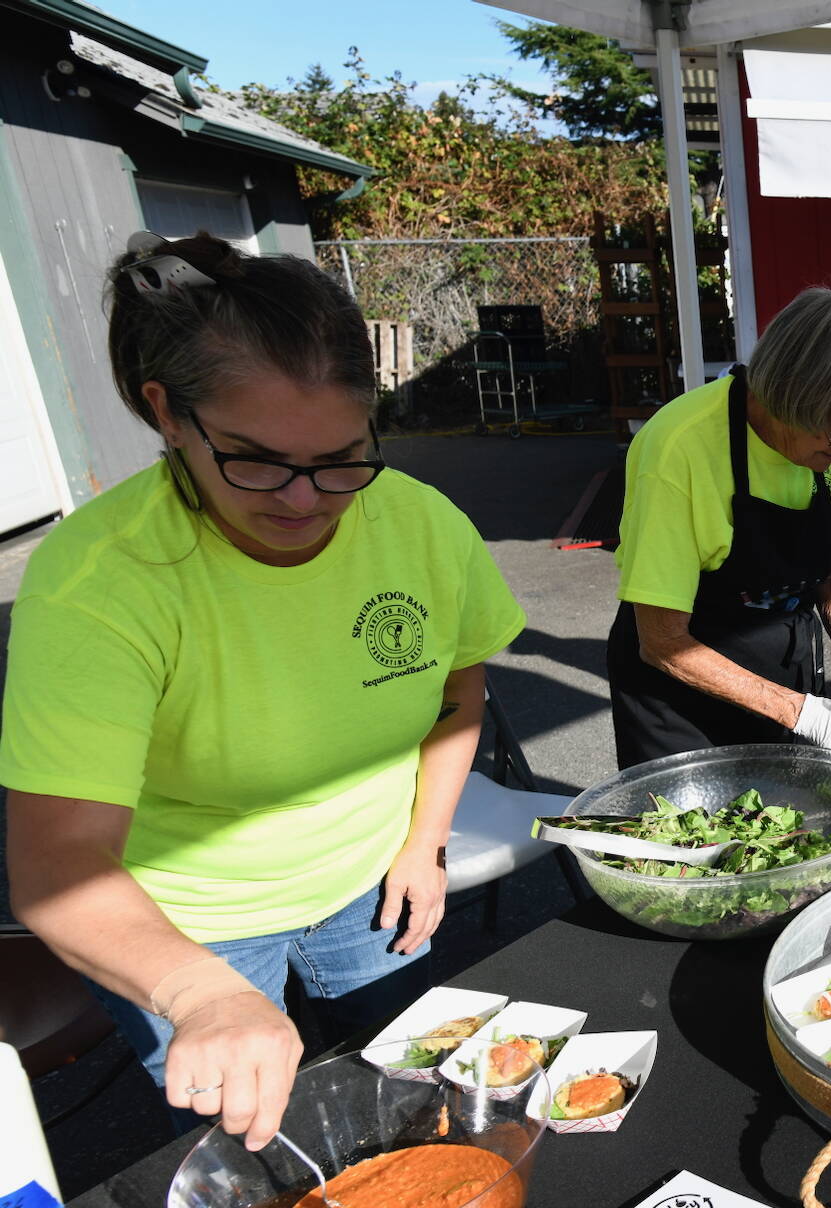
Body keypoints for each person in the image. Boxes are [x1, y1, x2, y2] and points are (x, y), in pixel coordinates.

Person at [1, 232, 526, 1151]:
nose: (303, 499)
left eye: (341, 459)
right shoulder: (99, 583)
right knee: (261, 1154)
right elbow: (57, 868)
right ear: (169, 416)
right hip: (185, 926)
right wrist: (200, 994)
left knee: (414, 1109)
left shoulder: (420, 525)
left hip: (370, 885)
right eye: (255, 459)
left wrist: (424, 841)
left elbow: (455, 690)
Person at [607, 288, 831, 766]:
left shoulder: (826, 443)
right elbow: (661, 641)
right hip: (681, 707)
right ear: (789, 400)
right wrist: (805, 714)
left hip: (783, 690)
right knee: (700, 839)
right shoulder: (680, 451)